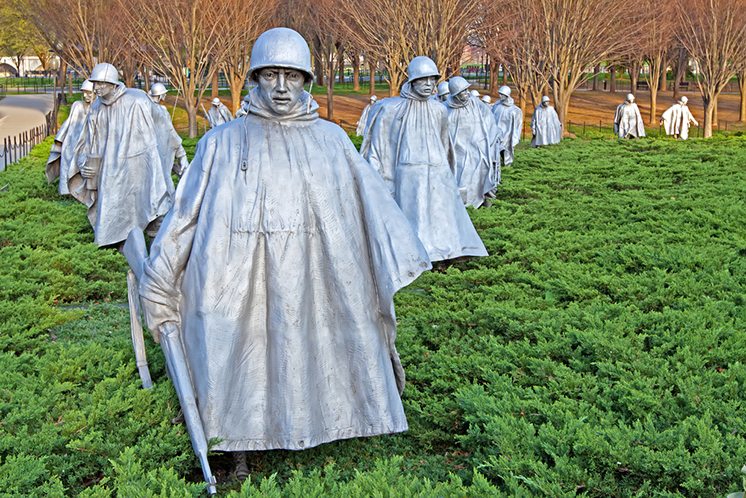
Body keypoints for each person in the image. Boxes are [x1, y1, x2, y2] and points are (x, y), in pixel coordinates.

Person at [138, 28, 431, 467]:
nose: (279, 87)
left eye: (291, 76)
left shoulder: (331, 141)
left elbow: (369, 209)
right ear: (255, 77)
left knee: (312, 339)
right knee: (235, 346)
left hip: (312, 272)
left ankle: (325, 423)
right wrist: (158, 282)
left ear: (305, 80)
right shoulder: (222, 142)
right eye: (270, 74)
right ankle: (235, 439)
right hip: (235, 276)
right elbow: (184, 217)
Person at [361, 56, 487, 261]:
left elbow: (445, 144)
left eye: (432, 80)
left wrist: (448, 174)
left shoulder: (439, 109)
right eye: (423, 79)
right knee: (415, 218)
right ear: (412, 80)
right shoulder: (392, 109)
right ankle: (415, 254)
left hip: (438, 170)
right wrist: (379, 181)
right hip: (409, 170)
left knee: (441, 215)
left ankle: (446, 252)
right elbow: (380, 147)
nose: (429, 85)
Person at [68, 63, 174, 247]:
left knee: (146, 201)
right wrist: (85, 161)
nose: (97, 88)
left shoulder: (137, 100)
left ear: (113, 83)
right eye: (95, 83)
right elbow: (89, 140)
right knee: (112, 205)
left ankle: (155, 244)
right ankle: (117, 244)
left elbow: (160, 126)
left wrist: (173, 153)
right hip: (109, 168)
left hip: (138, 163)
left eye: (102, 83)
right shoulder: (96, 108)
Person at [444, 76, 500, 208]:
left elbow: (489, 121)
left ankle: (483, 203)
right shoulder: (446, 109)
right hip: (458, 152)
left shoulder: (476, 103)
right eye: (462, 92)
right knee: (462, 178)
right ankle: (465, 207)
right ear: (455, 94)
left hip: (478, 149)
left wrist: (489, 144)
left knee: (482, 175)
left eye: (466, 90)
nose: (466, 93)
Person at [46, 79, 95, 195]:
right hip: (71, 144)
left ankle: (83, 193)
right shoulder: (77, 106)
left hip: (87, 146)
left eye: (89, 93)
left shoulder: (98, 109)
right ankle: (66, 192)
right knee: (67, 165)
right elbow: (68, 124)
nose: (85, 95)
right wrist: (59, 142)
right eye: (84, 92)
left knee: (85, 168)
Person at [148, 82, 189, 177]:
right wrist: (181, 153)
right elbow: (171, 132)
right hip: (159, 150)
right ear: (160, 95)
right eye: (164, 93)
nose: (165, 95)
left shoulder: (151, 108)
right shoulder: (161, 111)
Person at [491, 85, 522, 166]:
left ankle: (507, 164)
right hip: (496, 133)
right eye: (500, 94)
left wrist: (516, 137)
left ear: (507, 95)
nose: (500, 96)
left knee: (506, 150)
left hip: (507, 134)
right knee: (496, 149)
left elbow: (517, 125)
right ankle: (496, 163)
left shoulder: (514, 110)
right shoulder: (496, 106)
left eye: (502, 94)